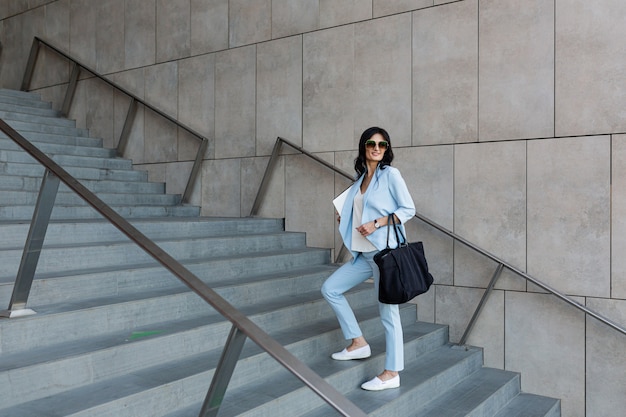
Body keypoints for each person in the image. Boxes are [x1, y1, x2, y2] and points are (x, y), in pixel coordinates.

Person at [321, 126, 416, 391]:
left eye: (382, 144)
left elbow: (408, 209)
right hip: (364, 255)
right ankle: (358, 343)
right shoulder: (360, 178)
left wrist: (377, 223)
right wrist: (347, 217)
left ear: (387, 149)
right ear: (363, 147)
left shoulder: (390, 175)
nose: (377, 148)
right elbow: (359, 211)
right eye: (372, 144)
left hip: (384, 255)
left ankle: (392, 372)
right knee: (330, 289)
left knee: (388, 313)